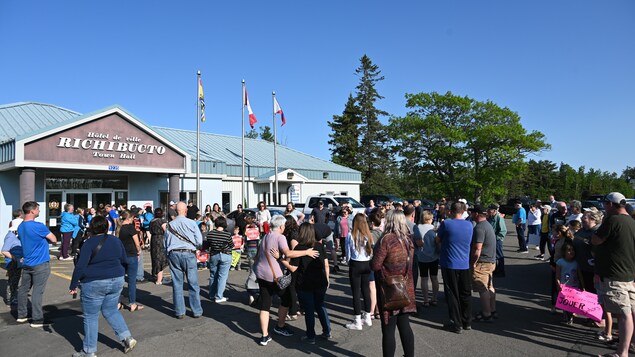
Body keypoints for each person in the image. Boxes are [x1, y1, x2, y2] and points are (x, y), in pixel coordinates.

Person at [68, 215, 137, 357]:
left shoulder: (89, 243)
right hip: (116, 279)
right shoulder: (116, 241)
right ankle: (127, 337)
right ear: (106, 227)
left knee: (90, 316)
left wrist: (73, 284)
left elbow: (80, 266)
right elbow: (124, 259)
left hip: (94, 281)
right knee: (111, 310)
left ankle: (89, 351)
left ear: (91, 228)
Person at [253, 215, 319, 346]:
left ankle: (264, 335)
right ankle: (280, 326)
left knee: (265, 305)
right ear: (281, 226)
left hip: (261, 273)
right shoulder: (280, 237)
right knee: (287, 299)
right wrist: (306, 252)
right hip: (275, 276)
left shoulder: (265, 236)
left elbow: (257, 256)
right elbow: (288, 253)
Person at [592, 192, 635, 357]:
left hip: (614, 274)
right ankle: (630, 345)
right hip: (628, 274)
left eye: (605, 203)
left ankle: (622, 353)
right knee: (631, 312)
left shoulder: (612, 220)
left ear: (611, 204)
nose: (604, 206)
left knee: (623, 315)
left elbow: (596, 239)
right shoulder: (631, 221)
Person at [275, 222, 331, 344]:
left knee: (309, 309)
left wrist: (280, 259)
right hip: (320, 280)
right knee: (320, 306)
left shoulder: (299, 248)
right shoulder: (319, 246)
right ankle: (327, 331)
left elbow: (293, 268)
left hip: (305, 283)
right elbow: (326, 264)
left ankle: (311, 336)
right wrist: (327, 279)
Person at [370, 210, 416, 357]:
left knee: (389, 328)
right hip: (405, 286)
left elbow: (375, 265)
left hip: (389, 288)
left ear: (389, 221)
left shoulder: (386, 240)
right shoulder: (408, 240)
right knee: (404, 325)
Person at [16, 201, 58, 327]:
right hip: (40, 263)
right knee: (37, 292)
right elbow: (54, 239)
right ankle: (37, 319)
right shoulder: (38, 226)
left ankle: (21, 315)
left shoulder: (21, 226)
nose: (39, 211)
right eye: (38, 209)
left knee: (23, 289)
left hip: (27, 262)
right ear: (33, 211)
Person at [437, 201, 473, 333]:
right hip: (464, 263)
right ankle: (467, 320)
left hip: (450, 262)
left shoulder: (446, 224)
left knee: (453, 293)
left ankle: (456, 323)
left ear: (450, 211)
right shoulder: (469, 225)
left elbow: (438, 240)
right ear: (463, 211)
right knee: (465, 292)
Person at [163, 202, 204, 318]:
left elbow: (165, 242)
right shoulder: (192, 223)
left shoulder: (169, 225)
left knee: (177, 283)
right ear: (186, 211)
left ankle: (180, 311)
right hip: (189, 253)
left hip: (174, 253)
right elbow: (199, 241)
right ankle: (196, 310)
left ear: (176, 211)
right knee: (193, 284)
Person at [345, 213, 374, 330]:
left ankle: (357, 320)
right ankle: (367, 315)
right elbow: (371, 251)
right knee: (365, 290)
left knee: (356, 292)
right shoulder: (368, 234)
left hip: (355, 264)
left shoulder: (351, 235)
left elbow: (347, 252)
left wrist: (348, 262)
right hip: (367, 264)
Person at [469, 205, 498, 322]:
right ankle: (492, 310)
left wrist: (472, 262)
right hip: (490, 261)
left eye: (472, 213)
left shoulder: (479, 228)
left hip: (483, 262)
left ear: (476, 214)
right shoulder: (488, 225)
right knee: (490, 286)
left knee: (482, 288)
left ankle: (486, 314)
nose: (471, 215)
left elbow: (477, 248)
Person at [116, 210, 144, 311]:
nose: (133, 220)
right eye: (132, 218)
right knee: (132, 281)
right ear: (129, 218)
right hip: (131, 255)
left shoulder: (119, 228)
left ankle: (118, 302)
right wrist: (139, 251)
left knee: (120, 280)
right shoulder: (130, 228)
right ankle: (132, 303)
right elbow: (137, 243)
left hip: (121, 256)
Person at [555, 239, 584, 326]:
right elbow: (557, 275)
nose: (571, 252)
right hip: (564, 287)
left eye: (573, 250)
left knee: (572, 304)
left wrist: (583, 286)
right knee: (565, 304)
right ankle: (567, 316)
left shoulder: (576, 263)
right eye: (569, 250)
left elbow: (580, 275)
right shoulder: (560, 262)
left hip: (574, 287)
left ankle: (570, 317)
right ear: (564, 252)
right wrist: (558, 284)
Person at [414, 210, 438, 307]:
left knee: (424, 278)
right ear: (429, 219)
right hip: (433, 256)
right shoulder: (434, 229)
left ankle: (425, 299)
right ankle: (434, 298)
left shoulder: (417, 227)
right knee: (434, 278)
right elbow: (437, 242)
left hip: (421, 256)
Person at [207, 216, 233, 303]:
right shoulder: (227, 234)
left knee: (213, 275)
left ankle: (211, 294)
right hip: (225, 255)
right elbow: (231, 245)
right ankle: (219, 296)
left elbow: (208, 244)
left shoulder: (210, 233)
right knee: (222, 276)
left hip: (214, 254)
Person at [2, 214, 23, 306]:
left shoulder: (17, 235)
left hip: (17, 261)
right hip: (12, 262)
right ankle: (10, 299)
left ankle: (13, 297)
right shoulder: (11, 236)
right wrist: (16, 259)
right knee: (12, 281)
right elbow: (4, 251)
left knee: (16, 280)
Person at [487, 204, 507, 277]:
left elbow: (503, 231)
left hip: (497, 240)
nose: (488, 211)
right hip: (490, 240)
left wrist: (496, 238)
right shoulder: (489, 218)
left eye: (490, 209)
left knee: (499, 256)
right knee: (493, 256)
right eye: (488, 209)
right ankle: (495, 270)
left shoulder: (499, 218)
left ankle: (501, 271)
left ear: (494, 211)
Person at [149, 208, 168, 285]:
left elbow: (150, 231)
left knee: (155, 257)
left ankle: (156, 275)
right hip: (160, 239)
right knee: (160, 259)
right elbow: (166, 231)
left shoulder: (152, 221)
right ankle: (159, 279)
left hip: (153, 239)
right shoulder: (162, 221)